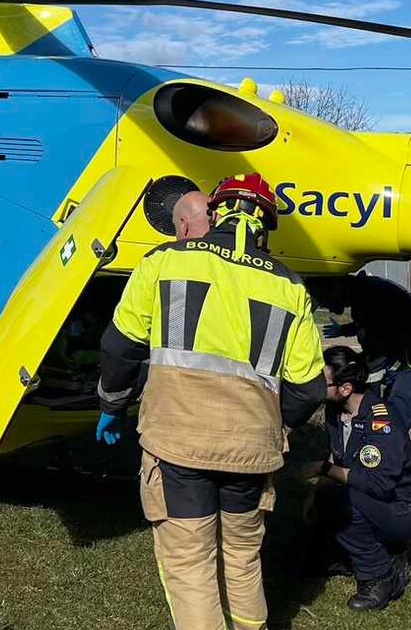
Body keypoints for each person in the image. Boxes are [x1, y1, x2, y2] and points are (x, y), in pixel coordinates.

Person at [96, 173, 327, 630]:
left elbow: (120, 346)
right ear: (265, 225)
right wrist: (267, 424)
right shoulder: (291, 287)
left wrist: (111, 403)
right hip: (251, 450)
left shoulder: (162, 261)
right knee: (242, 559)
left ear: (218, 211)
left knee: (190, 562)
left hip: (177, 444)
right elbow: (309, 388)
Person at [309, 272, 411, 520]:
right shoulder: (365, 292)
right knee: (391, 430)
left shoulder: (367, 298)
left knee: (392, 429)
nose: (324, 305)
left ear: (333, 286)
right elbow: (376, 325)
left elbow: (374, 361)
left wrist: (362, 403)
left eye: (322, 299)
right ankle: (410, 496)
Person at [300, 346, 411, 611]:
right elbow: (340, 458)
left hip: (398, 507)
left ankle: (381, 575)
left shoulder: (380, 420)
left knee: (338, 501)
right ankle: (350, 556)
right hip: (367, 499)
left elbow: (378, 484)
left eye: (323, 382)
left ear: (345, 388)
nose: (316, 387)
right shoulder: (335, 413)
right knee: (307, 557)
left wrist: (322, 469)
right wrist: (314, 494)